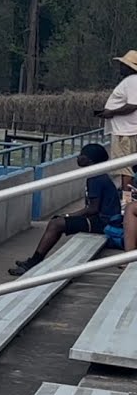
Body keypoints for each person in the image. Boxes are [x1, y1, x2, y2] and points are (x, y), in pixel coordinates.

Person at [9, 143, 120, 276]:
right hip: (101, 219)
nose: (78, 158)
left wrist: (68, 215)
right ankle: (34, 260)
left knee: (56, 224)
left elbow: (92, 209)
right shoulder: (98, 175)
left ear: (90, 160)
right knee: (58, 221)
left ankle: (33, 262)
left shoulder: (96, 179)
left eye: (81, 155)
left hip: (104, 223)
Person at [96, 50, 137, 200]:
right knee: (126, 168)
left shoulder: (132, 80)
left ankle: (126, 202)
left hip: (126, 132)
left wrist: (111, 112)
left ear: (130, 67)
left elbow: (132, 105)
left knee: (125, 168)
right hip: (126, 130)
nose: (120, 67)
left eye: (123, 64)